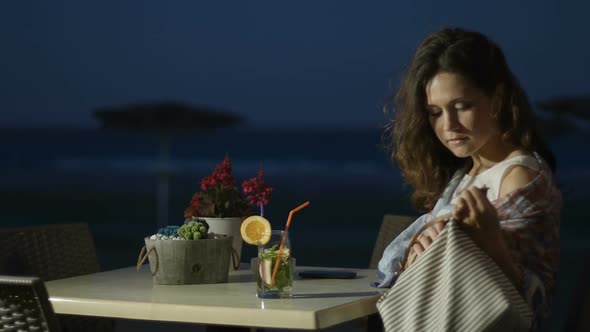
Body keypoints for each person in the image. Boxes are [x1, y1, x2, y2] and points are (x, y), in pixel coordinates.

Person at [376, 27, 561, 329]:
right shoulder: (465, 175)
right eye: (434, 112)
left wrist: (489, 240)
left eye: (462, 107)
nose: (448, 125)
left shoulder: (518, 176)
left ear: (498, 99)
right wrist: (416, 253)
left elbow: (530, 308)